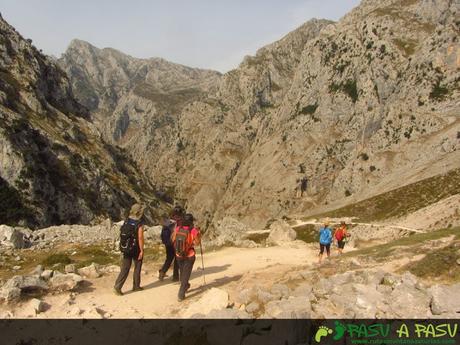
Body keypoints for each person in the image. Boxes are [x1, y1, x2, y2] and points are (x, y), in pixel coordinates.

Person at [113, 203, 145, 295]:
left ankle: (117, 286)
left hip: (126, 248)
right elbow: (140, 237)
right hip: (136, 248)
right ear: (139, 212)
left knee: (125, 268)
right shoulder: (139, 223)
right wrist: (142, 250)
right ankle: (136, 286)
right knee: (137, 266)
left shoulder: (126, 220)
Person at [171, 213, 200, 301]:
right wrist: (198, 234)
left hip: (179, 254)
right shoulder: (193, 230)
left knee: (183, 272)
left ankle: (186, 285)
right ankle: (181, 294)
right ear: (191, 221)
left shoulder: (178, 228)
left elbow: (173, 239)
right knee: (186, 275)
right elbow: (197, 243)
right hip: (189, 255)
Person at [158, 207, 183, 281]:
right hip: (176, 242)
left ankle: (162, 272)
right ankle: (175, 277)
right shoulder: (179, 221)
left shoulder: (167, 222)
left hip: (168, 243)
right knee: (177, 259)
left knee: (169, 258)